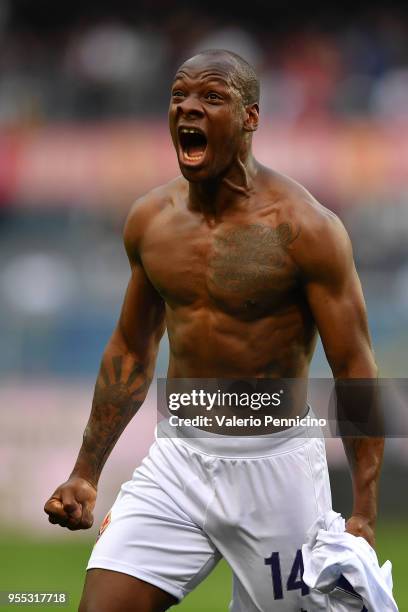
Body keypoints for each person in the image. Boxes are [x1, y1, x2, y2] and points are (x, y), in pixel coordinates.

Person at [44, 49, 384, 612]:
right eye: (179, 97)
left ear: (251, 117)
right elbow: (131, 351)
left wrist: (365, 513)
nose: (189, 109)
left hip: (276, 471)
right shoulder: (151, 221)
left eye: (211, 98)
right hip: (179, 459)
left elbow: (356, 371)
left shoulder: (306, 229)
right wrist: (85, 472)